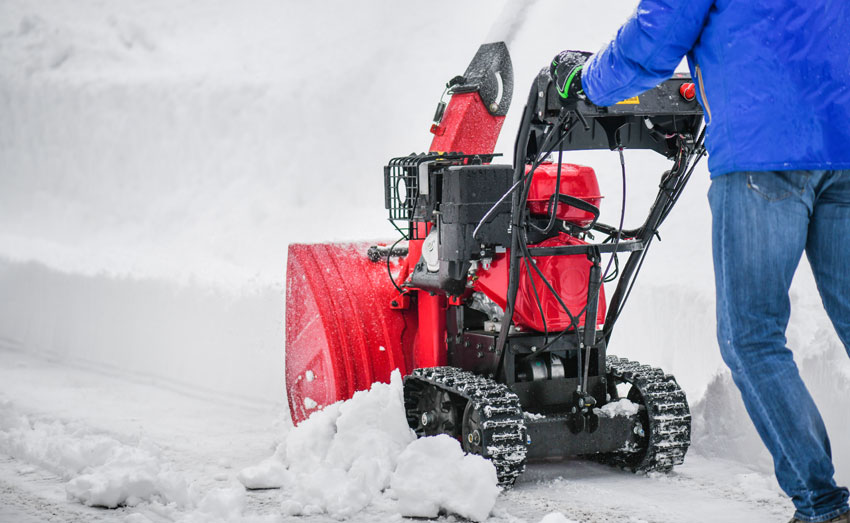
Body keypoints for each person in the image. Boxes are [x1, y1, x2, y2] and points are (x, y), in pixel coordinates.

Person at [549, 2, 850, 522]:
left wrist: (586, 82)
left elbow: (654, 39)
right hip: (843, 143)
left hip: (764, 151)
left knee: (752, 337)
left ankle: (822, 506)